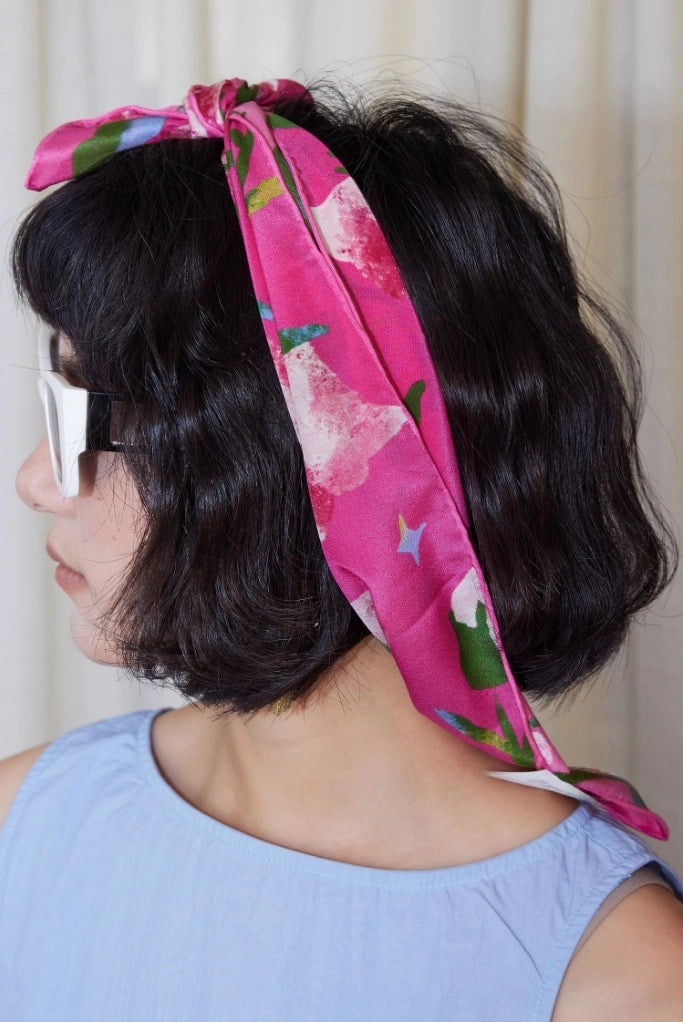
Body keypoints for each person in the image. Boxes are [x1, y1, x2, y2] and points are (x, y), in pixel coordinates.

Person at [1, 76, 682, 1020]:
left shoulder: (615, 973)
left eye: (92, 417)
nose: (37, 479)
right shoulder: (27, 822)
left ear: (323, 470)